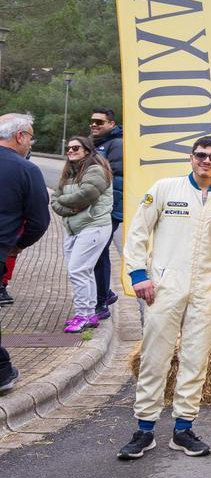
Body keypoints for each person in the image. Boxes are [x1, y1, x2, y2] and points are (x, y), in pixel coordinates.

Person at [116, 136, 211, 460]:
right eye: (201, 155)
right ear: (191, 157)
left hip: (207, 289)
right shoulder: (165, 189)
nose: (206, 161)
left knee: (196, 359)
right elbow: (138, 231)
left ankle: (183, 429)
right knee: (154, 357)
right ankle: (144, 430)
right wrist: (138, 275)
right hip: (165, 285)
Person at [0, 114, 51, 393]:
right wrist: (18, 244)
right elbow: (39, 221)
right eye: (30, 137)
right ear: (20, 136)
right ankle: (2, 373)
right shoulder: (26, 169)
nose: (31, 142)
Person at [51, 135, 114, 334]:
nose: (70, 151)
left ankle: (83, 315)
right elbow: (54, 201)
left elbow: (85, 195)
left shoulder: (96, 170)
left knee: (78, 271)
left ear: (87, 150)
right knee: (83, 271)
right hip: (73, 228)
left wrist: (64, 201)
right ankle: (88, 314)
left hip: (93, 227)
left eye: (75, 148)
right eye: (69, 148)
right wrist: (70, 208)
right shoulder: (69, 172)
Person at [90, 108, 123, 319]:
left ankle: (101, 302)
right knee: (96, 251)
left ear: (111, 124)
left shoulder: (117, 144)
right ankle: (105, 294)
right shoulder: (98, 143)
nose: (94, 125)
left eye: (99, 122)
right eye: (92, 121)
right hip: (99, 207)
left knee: (99, 252)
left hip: (109, 209)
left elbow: (114, 177)